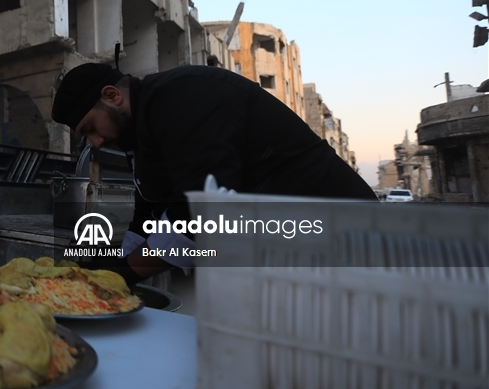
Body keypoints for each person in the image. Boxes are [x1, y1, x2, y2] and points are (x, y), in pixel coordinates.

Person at [51, 63, 376, 280]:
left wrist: (126, 271)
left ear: (112, 95)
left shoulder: (182, 98)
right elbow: (150, 208)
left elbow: (203, 214)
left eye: (90, 128)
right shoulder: (140, 130)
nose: (95, 142)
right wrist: (114, 262)